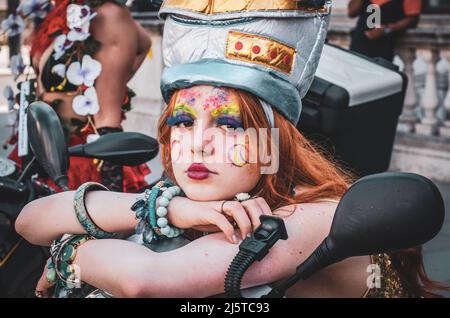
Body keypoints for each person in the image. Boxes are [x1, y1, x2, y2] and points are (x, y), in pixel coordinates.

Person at [16, 0, 447, 298]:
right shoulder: (199, 204)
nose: (198, 142)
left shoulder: (311, 217)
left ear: (274, 141)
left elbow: (144, 280)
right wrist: (172, 210)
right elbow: (31, 220)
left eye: (228, 123)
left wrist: (67, 250)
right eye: (183, 121)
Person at [7, 0, 152, 192]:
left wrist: (109, 191)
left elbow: (108, 117)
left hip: (77, 164)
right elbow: (144, 41)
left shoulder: (109, 15)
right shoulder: (64, 12)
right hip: (39, 148)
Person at [348, 0, 422, 61]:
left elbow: (412, 19)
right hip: (359, 43)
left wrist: (387, 29)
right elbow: (351, 13)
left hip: (384, 46)